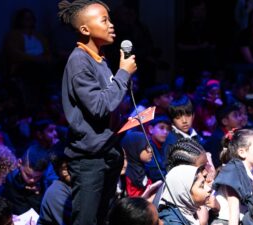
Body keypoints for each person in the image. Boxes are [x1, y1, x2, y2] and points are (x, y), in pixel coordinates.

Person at [58, 0, 137, 225]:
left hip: (107, 151)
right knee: (86, 221)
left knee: (103, 218)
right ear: (85, 29)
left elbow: (107, 103)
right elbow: (99, 106)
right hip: (90, 159)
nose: (111, 25)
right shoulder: (79, 62)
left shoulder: (100, 58)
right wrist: (123, 73)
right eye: (104, 20)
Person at [211, 129, 253, 225]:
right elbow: (234, 211)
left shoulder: (252, 172)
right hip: (226, 222)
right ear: (242, 152)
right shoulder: (233, 172)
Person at [0, 145, 50, 215]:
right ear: (19, 163)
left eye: (37, 177)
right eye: (28, 175)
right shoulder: (10, 182)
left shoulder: (45, 182)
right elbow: (24, 214)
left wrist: (37, 194)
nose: (32, 180)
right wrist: (34, 195)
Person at [37, 147, 72, 225]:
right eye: (65, 168)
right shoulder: (56, 192)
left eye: (72, 166)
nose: (69, 172)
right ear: (57, 171)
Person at [120, 132, 153, 197]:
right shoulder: (126, 175)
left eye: (150, 146)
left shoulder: (144, 168)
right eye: (146, 147)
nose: (151, 150)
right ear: (135, 149)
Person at [145, 115, 171, 182]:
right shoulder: (147, 147)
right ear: (151, 129)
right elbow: (154, 173)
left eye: (168, 129)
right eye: (161, 128)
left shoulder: (166, 146)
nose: (165, 132)